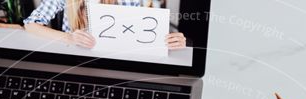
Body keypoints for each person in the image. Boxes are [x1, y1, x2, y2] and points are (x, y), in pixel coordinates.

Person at [23, 0, 187, 50]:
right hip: (75, 65)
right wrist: (69, 38)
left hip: (116, 64)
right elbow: (31, 24)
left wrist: (171, 42)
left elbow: (144, 36)